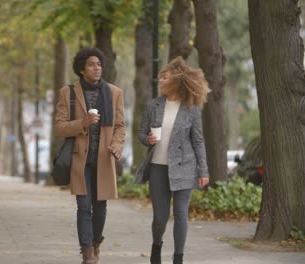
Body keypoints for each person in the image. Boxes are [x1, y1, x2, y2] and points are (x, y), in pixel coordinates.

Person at [135, 57, 210, 264]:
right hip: (158, 168)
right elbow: (141, 133)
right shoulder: (154, 105)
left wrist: (203, 170)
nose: (160, 81)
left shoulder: (192, 109)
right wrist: (147, 138)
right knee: (160, 218)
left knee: (180, 213)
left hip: (184, 166)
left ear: (176, 80)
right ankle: (156, 245)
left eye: (164, 77)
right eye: (159, 77)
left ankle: (178, 258)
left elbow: (198, 140)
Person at [54, 47, 125, 264]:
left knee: (101, 209)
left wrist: (116, 145)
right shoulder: (68, 93)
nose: (97, 68)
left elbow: (120, 126)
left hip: (104, 159)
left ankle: (95, 245)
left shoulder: (114, 93)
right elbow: (59, 127)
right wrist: (81, 124)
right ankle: (87, 255)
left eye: (99, 64)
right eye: (92, 65)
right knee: (84, 207)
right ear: (82, 69)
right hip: (80, 160)